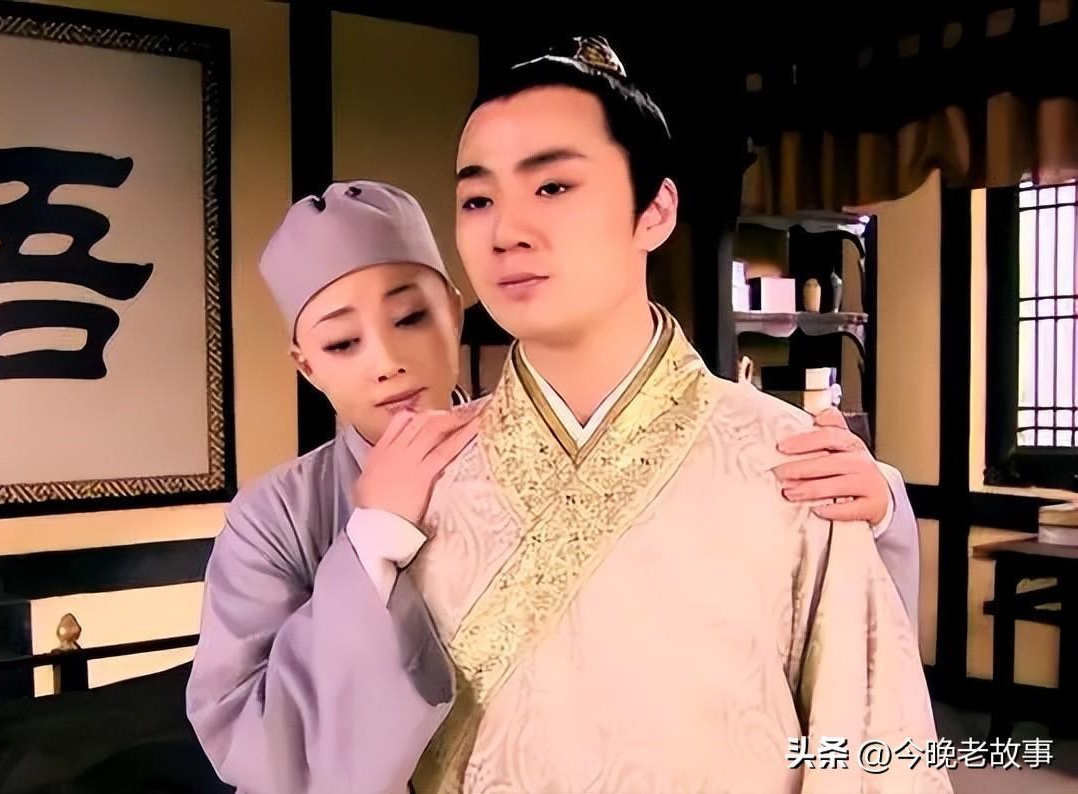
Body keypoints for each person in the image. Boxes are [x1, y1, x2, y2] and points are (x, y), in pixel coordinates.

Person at [186, 178, 925, 793]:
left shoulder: (557, 439)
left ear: (454, 308)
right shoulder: (274, 517)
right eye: (342, 341)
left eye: (410, 316)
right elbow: (246, 733)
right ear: (305, 363)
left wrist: (874, 508)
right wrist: (372, 541)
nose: (386, 361)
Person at [362, 38, 949, 792]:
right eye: (478, 200)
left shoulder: (792, 462)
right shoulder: (419, 476)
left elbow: (870, 741)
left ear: (656, 211)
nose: (506, 231)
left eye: (553, 187)